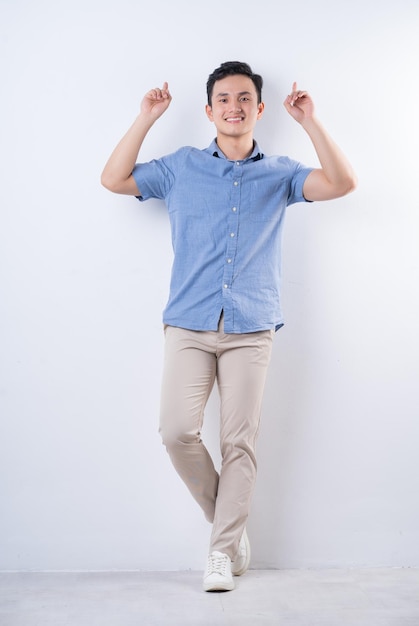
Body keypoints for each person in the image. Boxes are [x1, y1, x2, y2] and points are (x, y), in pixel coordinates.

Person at [101, 61, 356, 592]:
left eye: (244, 98)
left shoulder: (282, 172)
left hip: (251, 326)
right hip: (188, 323)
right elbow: (114, 178)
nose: (234, 106)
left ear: (259, 109)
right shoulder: (181, 167)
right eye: (224, 98)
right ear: (210, 109)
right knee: (176, 432)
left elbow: (342, 182)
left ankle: (220, 553)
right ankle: (229, 525)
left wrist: (311, 122)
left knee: (240, 442)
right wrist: (146, 117)